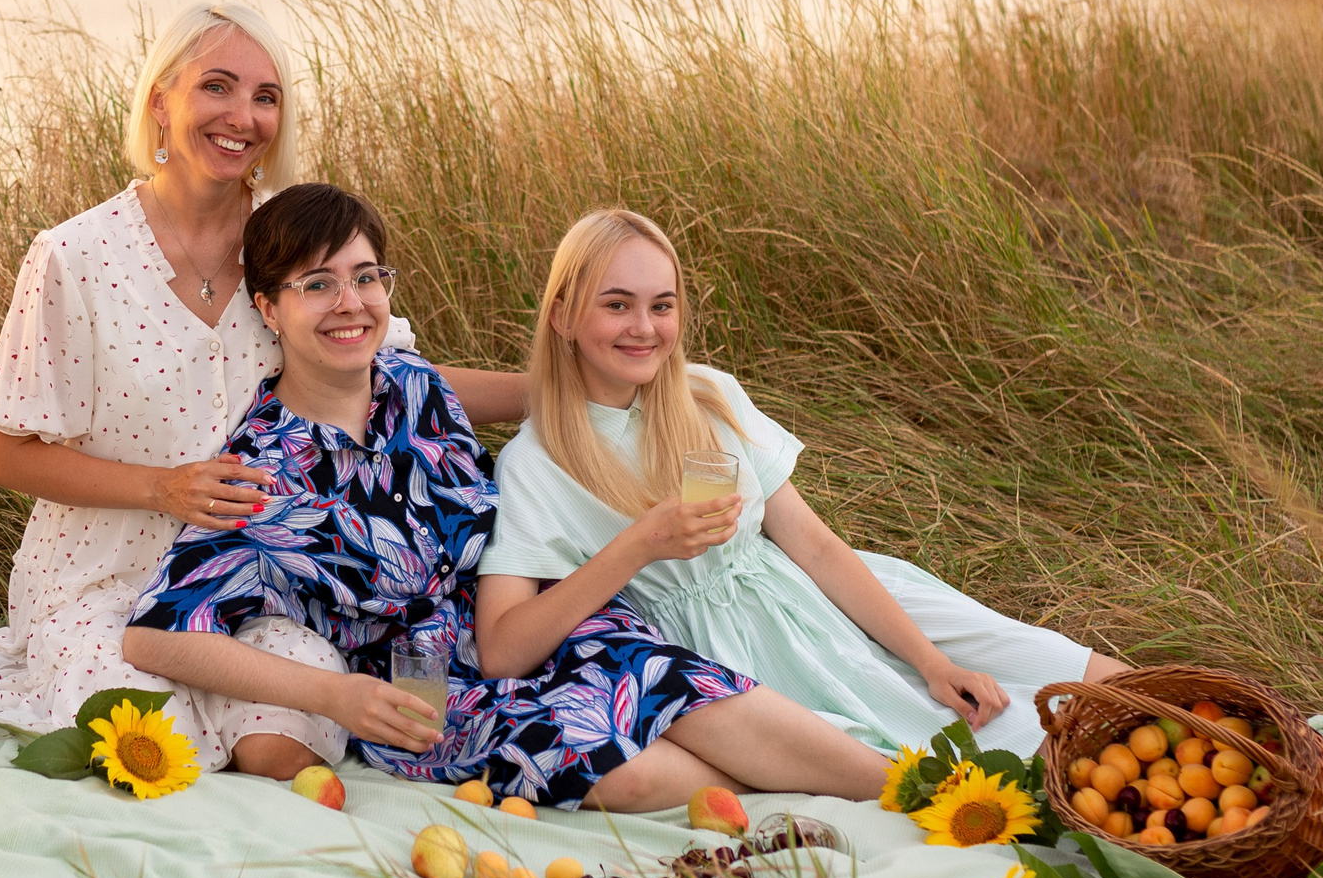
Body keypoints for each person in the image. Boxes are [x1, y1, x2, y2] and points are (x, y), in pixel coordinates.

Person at [0, 1, 525, 777]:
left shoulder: (289, 240)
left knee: (287, 748)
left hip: (259, 577)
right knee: (138, 748)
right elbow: (4, 454)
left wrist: (565, 387)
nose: (243, 117)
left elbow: (395, 374)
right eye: (218, 87)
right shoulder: (74, 256)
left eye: (266, 96)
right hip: (101, 581)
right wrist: (161, 488)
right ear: (160, 101)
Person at [124, 184, 891, 808]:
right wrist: (334, 695)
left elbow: (551, 392)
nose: (350, 303)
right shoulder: (261, 468)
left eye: (365, 277)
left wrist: (646, 368)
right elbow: (154, 636)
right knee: (629, 773)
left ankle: (913, 794)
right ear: (268, 308)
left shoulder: (418, 389)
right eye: (316, 285)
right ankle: (803, 777)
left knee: (679, 688)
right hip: (423, 681)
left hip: (538, 616)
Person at [475, 209, 1129, 759]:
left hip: (818, 592)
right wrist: (639, 545)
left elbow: (813, 546)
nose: (644, 328)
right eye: (616, 305)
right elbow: (503, 649)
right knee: (1006, 748)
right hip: (741, 657)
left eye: (661, 306)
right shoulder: (537, 464)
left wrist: (931, 661)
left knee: (1088, 675)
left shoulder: (707, 397)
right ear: (562, 317)